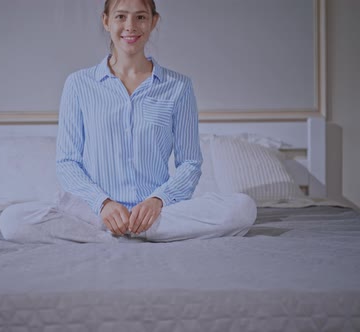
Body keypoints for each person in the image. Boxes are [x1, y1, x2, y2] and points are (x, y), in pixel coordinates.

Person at [54, 0, 257, 242]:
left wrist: (157, 201)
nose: (130, 26)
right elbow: (67, 162)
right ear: (106, 21)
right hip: (96, 211)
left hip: (159, 214)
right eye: (121, 17)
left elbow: (190, 163)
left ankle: (134, 229)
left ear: (153, 22)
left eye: (140, 17)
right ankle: (117, 228)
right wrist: (103, 203)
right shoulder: (78, 85)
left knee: (243, 208)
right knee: (13, 219)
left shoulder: (178, 87)